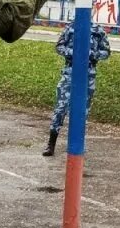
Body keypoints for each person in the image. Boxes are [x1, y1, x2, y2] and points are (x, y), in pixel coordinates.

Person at [42, 19, 111, 156]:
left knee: (82, 112)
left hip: (88, 75)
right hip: (70, 73)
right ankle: (51, 144)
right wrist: (74, 53)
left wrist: (92, 54)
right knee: (60, 109)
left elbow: (106, 51)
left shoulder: (98, 30)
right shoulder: (71, 27)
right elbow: (59, 46)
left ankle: (77, 145)